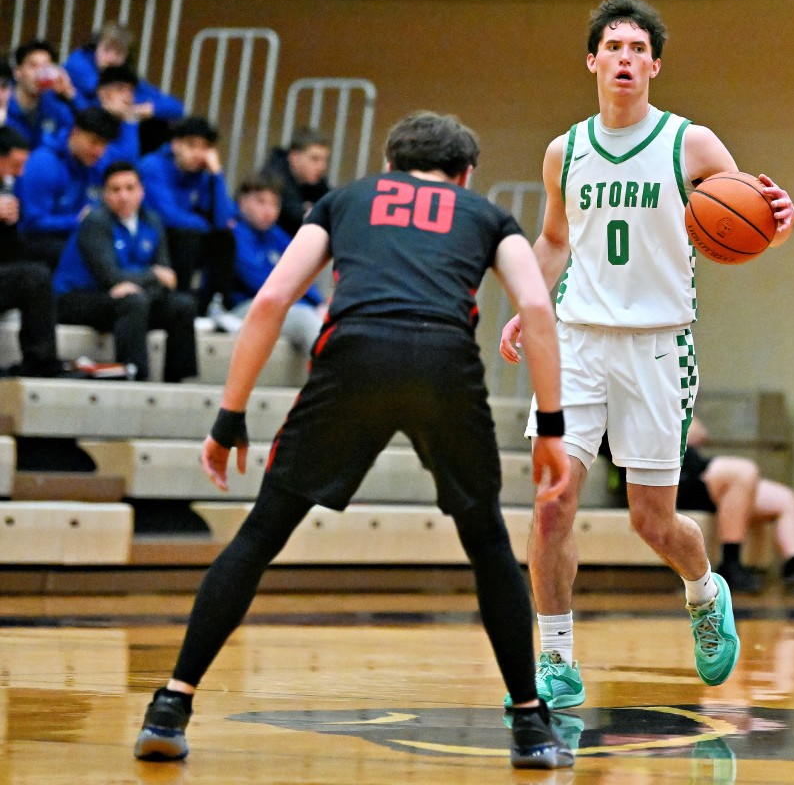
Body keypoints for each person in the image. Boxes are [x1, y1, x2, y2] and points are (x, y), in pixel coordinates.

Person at [133, 110, 575, 770]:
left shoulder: (346, 199)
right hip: (441, 361)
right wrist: (552, 426)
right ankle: (531, 727)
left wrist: (230, 416)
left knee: (261, 533)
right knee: (486, 540)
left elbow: (271, 300)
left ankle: (171, 704)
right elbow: (537, 308)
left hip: (355, 354)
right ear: (465, 173)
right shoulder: (484, 214)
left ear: (392, 164)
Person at [498, 0, 794, 708]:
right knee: (551, 505)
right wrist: (528, 307)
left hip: (659, 346)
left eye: (639, 48)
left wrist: (780, 224)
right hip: (575, 342)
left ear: (654, 65)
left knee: (651, 520)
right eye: (615, 47)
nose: (626, 58)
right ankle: (558, 660)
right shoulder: (563, 151)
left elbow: (752, 224)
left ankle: (704, 591)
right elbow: (555, 242)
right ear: (594, 61)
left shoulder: (690, 144)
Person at [53, 162, 197, 383]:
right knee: (133, 302)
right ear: (104, 194)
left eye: (130, 188)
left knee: (182, 305)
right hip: (76, 298)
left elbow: (169, 279)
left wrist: (147, 280)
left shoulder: (152, 221)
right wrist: (153, 275)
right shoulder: (95, 221)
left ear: (141, 191)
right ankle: (134, 376)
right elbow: (110, 277)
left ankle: (179, 382)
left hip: (128, 298)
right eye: (115, 189)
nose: (123, 196)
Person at [679, 418, 794, 595]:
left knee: (785, 499)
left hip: (699, 472)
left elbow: (698, 434)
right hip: (674, 481)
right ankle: (730, 564)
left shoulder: (675, 396)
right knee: (742, 471)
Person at [136, 116, 238, 316]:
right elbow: (167, 215)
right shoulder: (152, 165)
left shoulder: (204, 174)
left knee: (225, 240)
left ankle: (213, 308)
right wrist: (203, 224)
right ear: (175, 144)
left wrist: (217, 174)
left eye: (205, 147)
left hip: (186, 234)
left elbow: (222, 220)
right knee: (188, 236)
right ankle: (179, 305)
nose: (198, 154)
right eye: (191, 145)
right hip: (151, 234)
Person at [16, 105, 121, 270]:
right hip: (36, 240)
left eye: (104, 145)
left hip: (76, 236)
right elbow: (32, 222)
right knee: (87, 257)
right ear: (75, 132)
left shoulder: (99, 164)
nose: (99, 151)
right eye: (94, 142)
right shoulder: (44, 163)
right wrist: (76, 221)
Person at [229, 173, 324, 353]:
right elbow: (260, 284)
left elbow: (301, 270)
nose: (269, 210)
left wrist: (319, 303)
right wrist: (308, 306)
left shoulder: (274, 233)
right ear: (242, 202)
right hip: (242, 307)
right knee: (305, 318)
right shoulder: (233, 233)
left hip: (280, 306)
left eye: (274, 204)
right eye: (261, 202)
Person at [0, 126, 65, 377]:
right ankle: (41, 362)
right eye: (15, 164)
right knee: (33, 276)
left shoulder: (7, 189)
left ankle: (41, 362)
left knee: (39, 268)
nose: (20, 172)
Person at [64, 22, 184, 154]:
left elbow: (177, 107)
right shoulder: (79, 61)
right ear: (96, 47)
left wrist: (140, 109)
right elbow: (101, 95)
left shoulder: (126, 79)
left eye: (119, 53)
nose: (111, 58)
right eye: (107, 50)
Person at [5, 39, 82, 149]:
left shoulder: (54, 106)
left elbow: (88, 127)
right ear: (17, 72)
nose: (40, 73)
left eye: (45, 67)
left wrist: (71, 93)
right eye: (33, 66)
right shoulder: (4, 104)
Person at [259, 127, 332, 237]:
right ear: (294, 157)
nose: (322, 167)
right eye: (315, 159)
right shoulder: (273, 178)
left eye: (325, 160)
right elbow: (295, 216)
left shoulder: (316, 181)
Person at [93, 64, 143, 164]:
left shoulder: (126, 121)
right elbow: (125, 159)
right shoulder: (86, 118)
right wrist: (130, 118)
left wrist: (130, 118)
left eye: (131, 91)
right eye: (120, 89)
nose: (128, 97)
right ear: (102, 93)